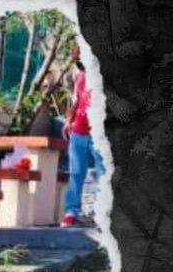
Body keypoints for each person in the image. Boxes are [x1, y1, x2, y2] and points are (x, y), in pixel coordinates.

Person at [61, 42, 105, 227]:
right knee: (76, 173)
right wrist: (68, 121)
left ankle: (100, 212)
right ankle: (71, 212)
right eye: (79, 59)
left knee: (102, 174)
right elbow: (76, 100)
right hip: (79, 131)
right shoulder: (80, 77)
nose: (80, 62)